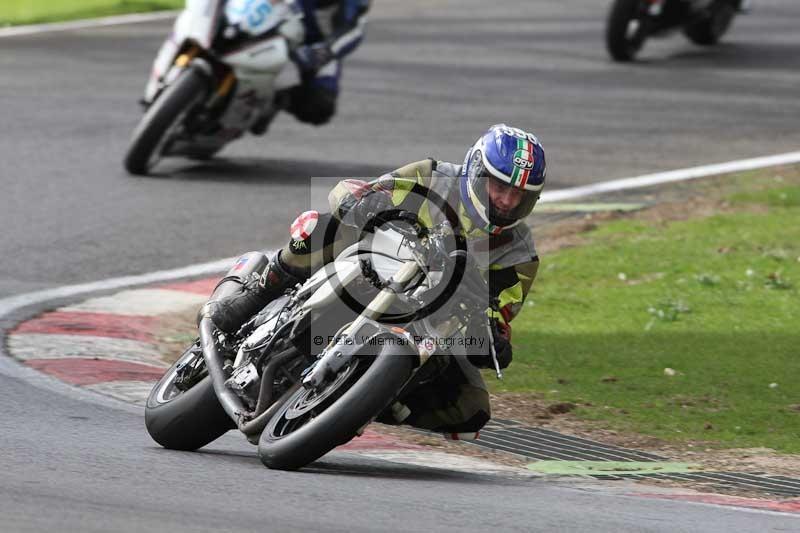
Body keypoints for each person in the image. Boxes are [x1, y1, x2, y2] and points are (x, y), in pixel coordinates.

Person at [204, 124, 546, 438]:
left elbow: (501, 313)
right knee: (326, 225)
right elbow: (363, 192)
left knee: (472, 408)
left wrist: (494, 339)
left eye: (519, 195)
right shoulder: (433, 176)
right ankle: (258, 291)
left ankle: (363, 398)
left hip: (429, 320)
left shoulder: (520, 254)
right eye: (500, 186)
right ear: (476, 172)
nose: (506, 201)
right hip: (379, 261)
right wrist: (367, 201)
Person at [252, 0, 370, 132]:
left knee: (320, 105)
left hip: (314, 45)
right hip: (275, 20)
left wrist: (325, 51)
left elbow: (353, 30)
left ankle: (274, 101)